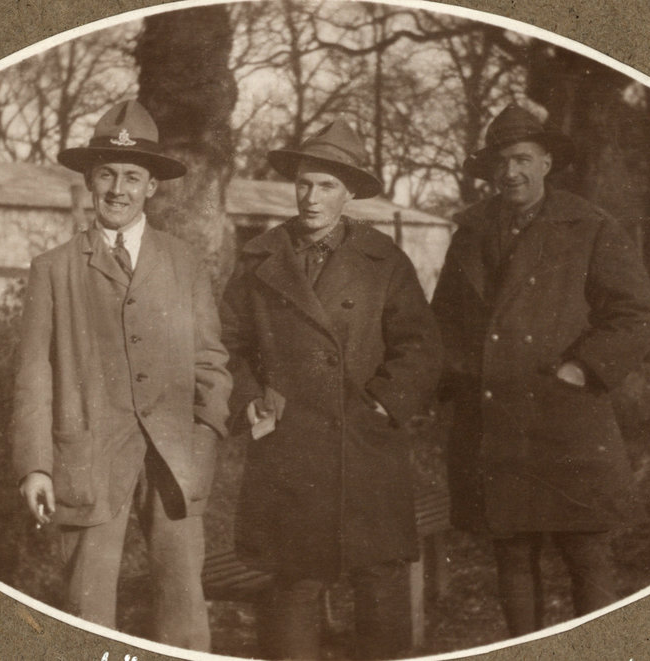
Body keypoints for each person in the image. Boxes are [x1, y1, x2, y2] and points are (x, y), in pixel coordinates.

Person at [431, 103, 650, 636]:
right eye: (500, 164)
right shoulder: (471, 231)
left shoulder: (589, 226)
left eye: (522, 159)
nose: (510, 173)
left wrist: (583, 368)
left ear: (547, 162)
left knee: (587, 556)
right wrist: (447, 383)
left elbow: (638, 314)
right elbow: (445, 319)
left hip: (567, 422)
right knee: (512, 558)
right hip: (496, 423)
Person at [11, 100, 231, 651]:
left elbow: (211, 361)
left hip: (175, 459)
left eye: (133, 176)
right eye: (107, 174)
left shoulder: (184, 264)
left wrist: (207, 435)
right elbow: (34, 374)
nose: (118, 189)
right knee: (86, 609)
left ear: (152, 186)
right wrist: (35, 465)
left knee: (183, 608)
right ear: (90, 180)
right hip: (87, 457)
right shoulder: (54, 269)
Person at [220, 119, 442, 659]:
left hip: (366, 447)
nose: (312, 197)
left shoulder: (382, 259)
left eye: (327, 186)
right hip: (288, 447)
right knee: (293, 585)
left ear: (348, 193)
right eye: (304, 183)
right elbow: (227, 345)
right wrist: (250, 399)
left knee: (379, 582)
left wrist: (383, 405)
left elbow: (421, 347)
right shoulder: (259, 258)